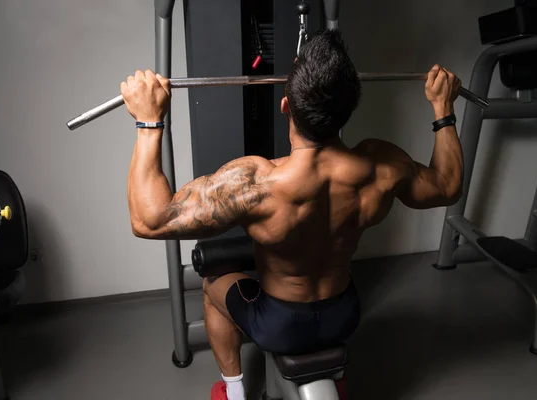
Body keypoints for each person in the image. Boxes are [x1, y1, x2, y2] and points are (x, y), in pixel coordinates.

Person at [120, 30, 463, 400]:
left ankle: (234, 394)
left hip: (279, 323)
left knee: (212, 284)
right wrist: (443, 109)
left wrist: (149, 122)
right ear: (349, 108)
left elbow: (148, 220)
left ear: (286, 106)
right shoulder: (381, 165)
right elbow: (447, 186)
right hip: (343, 314)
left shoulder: (256, 183)